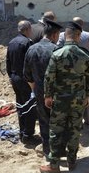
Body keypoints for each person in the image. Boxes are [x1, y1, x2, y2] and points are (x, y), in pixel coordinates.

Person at [40, 22, 89, 172]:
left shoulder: (57, 54)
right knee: (74, 130)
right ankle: (72, 162)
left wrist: (47, 96)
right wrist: (87, 96)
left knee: (56, 131)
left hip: (59, 100)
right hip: (78, 101)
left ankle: (54, 165)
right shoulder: (84, 55)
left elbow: (48, 77)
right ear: (77, 35)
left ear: (65, 35)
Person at [23, 19, 63, 157]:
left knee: (44, 122)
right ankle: (59, 151)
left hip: (40, 92)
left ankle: (48, 152)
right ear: (55, 34)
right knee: (58, 123)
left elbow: (27, 76)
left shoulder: (31, 49)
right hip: (57, 93)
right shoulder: (57, 50)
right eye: (58, 35)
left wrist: (35, 89)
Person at [58, 17, 89, 125]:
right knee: (87, 93)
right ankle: (88, 119)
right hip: (84, 71)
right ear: (82, 25)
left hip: (67, 72)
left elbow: (57, 51)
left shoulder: (63, 35)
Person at [6, 20, 37, 142]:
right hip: (25, 80)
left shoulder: (11, 42)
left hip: (14, 78)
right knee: (30, 106)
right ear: (28, 29)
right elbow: (31, 63)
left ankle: (22, 131)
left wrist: (11, 76)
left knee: (20, 105)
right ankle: (28, 135)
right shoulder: (27, 43)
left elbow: (8, 61)